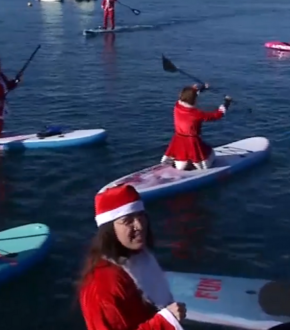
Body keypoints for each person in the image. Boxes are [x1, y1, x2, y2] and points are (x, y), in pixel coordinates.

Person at [78, 184, 187, 330]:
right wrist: (165, 321)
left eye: (141, 216)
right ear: (109, 230)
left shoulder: (137, 255)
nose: (140, 226)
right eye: (127, 221)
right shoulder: (102, 286)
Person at [161, 84, 232, 170]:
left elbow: (187, 97)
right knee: (210, 156)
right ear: (194, 99)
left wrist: (201, 88)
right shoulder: (196, 114)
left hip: (178, 140)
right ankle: (192, 164)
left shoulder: (177, 106)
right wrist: (227, 103)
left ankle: (182, 163)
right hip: (192, 142)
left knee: (181, 161)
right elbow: (216, 115)